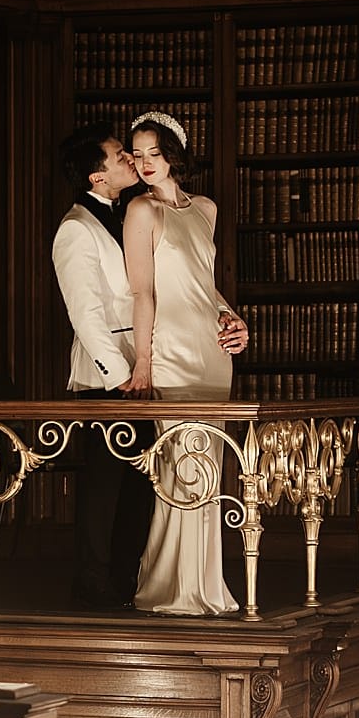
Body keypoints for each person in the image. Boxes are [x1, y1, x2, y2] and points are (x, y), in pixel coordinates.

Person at [124, 113, 249, 616]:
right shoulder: (141, 210)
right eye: (137, 155)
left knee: (211, 471)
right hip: (170, 352)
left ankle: (206, 589)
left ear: (174, 154)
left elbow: (204, 284)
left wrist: (233, 318)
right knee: (178, 468)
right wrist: (144, 364)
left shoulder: (206, 209)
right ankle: (168, 590)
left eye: (154, 153)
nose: (145, 163)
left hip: (211, 353)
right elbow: (143, 292)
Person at [50, 123, 153, 611]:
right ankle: (92, 587)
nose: (130, 160)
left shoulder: (131, 213)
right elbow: (85, 314)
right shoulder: (75, 228)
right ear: (97, 175)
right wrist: (121, 379)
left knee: (138, 488)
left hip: (145, 372)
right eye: (119, 156)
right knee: (105, 489)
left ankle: (124, 584)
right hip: (106, 380)